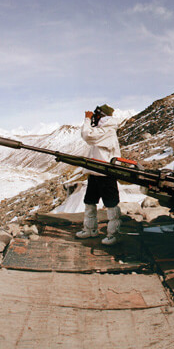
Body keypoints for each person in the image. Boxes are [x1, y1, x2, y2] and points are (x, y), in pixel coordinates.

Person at [75, 104, 122, 246]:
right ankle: (90, 229)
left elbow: (87, 135)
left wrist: (87, 120)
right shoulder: (103, 129)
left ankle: (113, 234)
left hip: (106, 173)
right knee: (90, 201)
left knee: (111, 204)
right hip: (96, 171)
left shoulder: (108, 130)